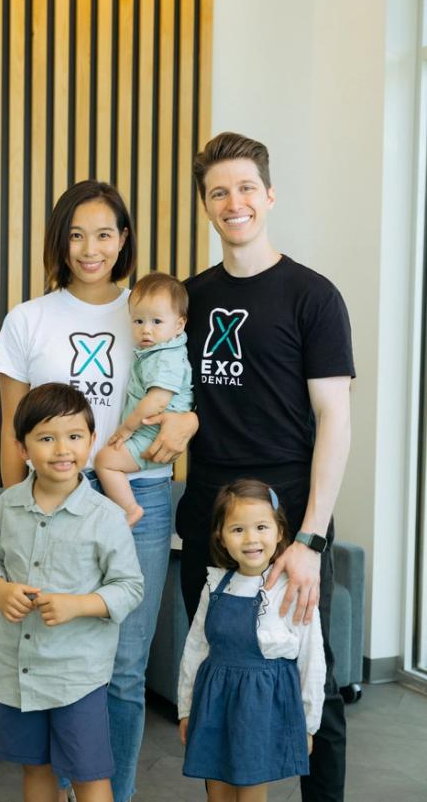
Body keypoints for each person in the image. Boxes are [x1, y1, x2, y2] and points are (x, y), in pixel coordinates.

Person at [0, 179, 198, 802]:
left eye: (105, 233)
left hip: (141, 498)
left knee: (124, 669)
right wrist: (14, 512)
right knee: (53, 666)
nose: (90, 248)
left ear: (123, 239)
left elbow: (185, 394)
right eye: (76, 234)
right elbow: (12, 428)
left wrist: (191, 420)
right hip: (49, 505)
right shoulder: (28, 319)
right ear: (60, 240)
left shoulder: (152, 305)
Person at [174, 132, 355, 802]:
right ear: (206, 205)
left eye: (246, 187)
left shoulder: (314, 296)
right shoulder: (190, 301)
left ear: (269, 195)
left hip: (287, 524)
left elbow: (334, 419)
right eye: (219, 191)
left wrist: (309, 536)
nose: (234, 201)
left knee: (315, 676)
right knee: (220, 670)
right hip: (210, 516)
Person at [0, 382, 144, 802]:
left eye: (74, 437)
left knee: (89, 774)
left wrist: (78, 605)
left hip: (77, 676)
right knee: (36, 768)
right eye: (46, 438)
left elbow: (129, 587)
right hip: (18, 670)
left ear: (91, 440)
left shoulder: (107, 516)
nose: (62, 449)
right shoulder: (5, 506)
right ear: (22, 448)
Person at [178, 479, 326, 802]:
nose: (251, 539)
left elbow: (311, 659)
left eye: (261, 527)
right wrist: (186, 708)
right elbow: (195, 649)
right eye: (238, 529)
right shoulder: (215, 584)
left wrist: (309, 723)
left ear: (279, 532)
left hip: (261, 709)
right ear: (221, 536)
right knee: (217, 790)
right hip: (215, 704)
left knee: (250, 793)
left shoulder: (292, 588)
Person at [95, 272, 193, 525]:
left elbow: (158, 400)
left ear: (179, 325)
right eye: (138, 321)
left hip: (152, 435)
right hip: (149, 432)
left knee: (105, 461)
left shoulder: (165, 358)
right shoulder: (157, 351)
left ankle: (130, 509)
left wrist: (127, 428)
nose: (146, 329)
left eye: (157, 321)